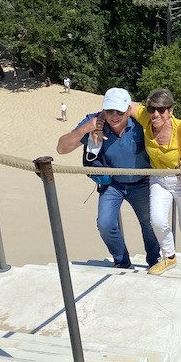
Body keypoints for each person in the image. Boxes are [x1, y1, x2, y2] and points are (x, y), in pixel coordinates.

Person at [56, 87, 161, 270]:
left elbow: (169, 124)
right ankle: (122, 261)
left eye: (119, 111)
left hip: (142, 182)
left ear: (128, 110)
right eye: (110, 110)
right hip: (112, 184)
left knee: (150, 224)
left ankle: (154, 262)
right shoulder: (94, 121)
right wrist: (86, 129)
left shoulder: (141, 122)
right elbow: (61, 148)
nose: (114, 116)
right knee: (105, 224)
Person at [119, 89, 181, 278]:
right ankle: (169, 256)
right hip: (158, 178)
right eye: (152, 109)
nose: (155, 114)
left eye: (161, 110)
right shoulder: (145, 117)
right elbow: (124, 104)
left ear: (170, 111)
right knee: (156, 220)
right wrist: (97, 121)